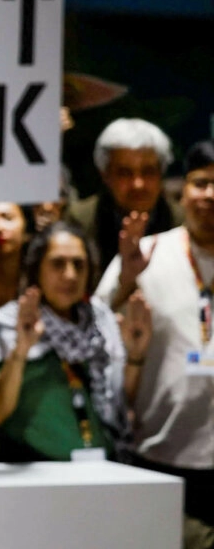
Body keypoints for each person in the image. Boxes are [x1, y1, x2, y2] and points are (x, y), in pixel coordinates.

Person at [96, 140, 214, 547]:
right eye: (201, 183)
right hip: (161, 454)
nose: (210, 195)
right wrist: (126, 281)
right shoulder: (146, 253)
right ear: (181, 191)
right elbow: (92, 332)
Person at [0, 222, 150, 462]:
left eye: (79, 264)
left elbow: (122, 400)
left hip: (104, 465)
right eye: (57, 264)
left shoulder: (102, 319)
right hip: (37, 469)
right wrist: (21, 350)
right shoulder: (10, 322)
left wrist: (135, 356)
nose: (70, 275)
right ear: (36, 269)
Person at [67, 118, 182, 273]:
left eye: (148, 172)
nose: (138, 184)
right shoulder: (80, 221)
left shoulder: (183, 223)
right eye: (125, 173)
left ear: (161, 173)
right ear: (105, 175)